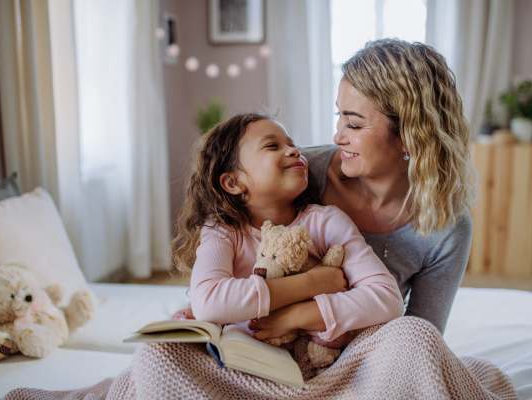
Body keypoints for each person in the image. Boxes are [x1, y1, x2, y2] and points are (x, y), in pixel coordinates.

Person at [171, 113, 403, 347]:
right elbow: (208, 303)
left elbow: (388, 298)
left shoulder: (326, 222)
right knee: (158, 351)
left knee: (416, 332)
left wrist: (292, 317)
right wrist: (312, 283)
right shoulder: (222, 231)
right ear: (233, 183)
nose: (294, 151)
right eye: (272, 146)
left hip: (317, 364)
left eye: (293, 145)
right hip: (243, 363)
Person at [301, 38, 475, 344]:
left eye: (353, 125)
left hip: (370, 359)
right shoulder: (302, 174)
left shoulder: (445, 227)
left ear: (410, 134)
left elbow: (421, 339)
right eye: (338, 116)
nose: (337, 136)